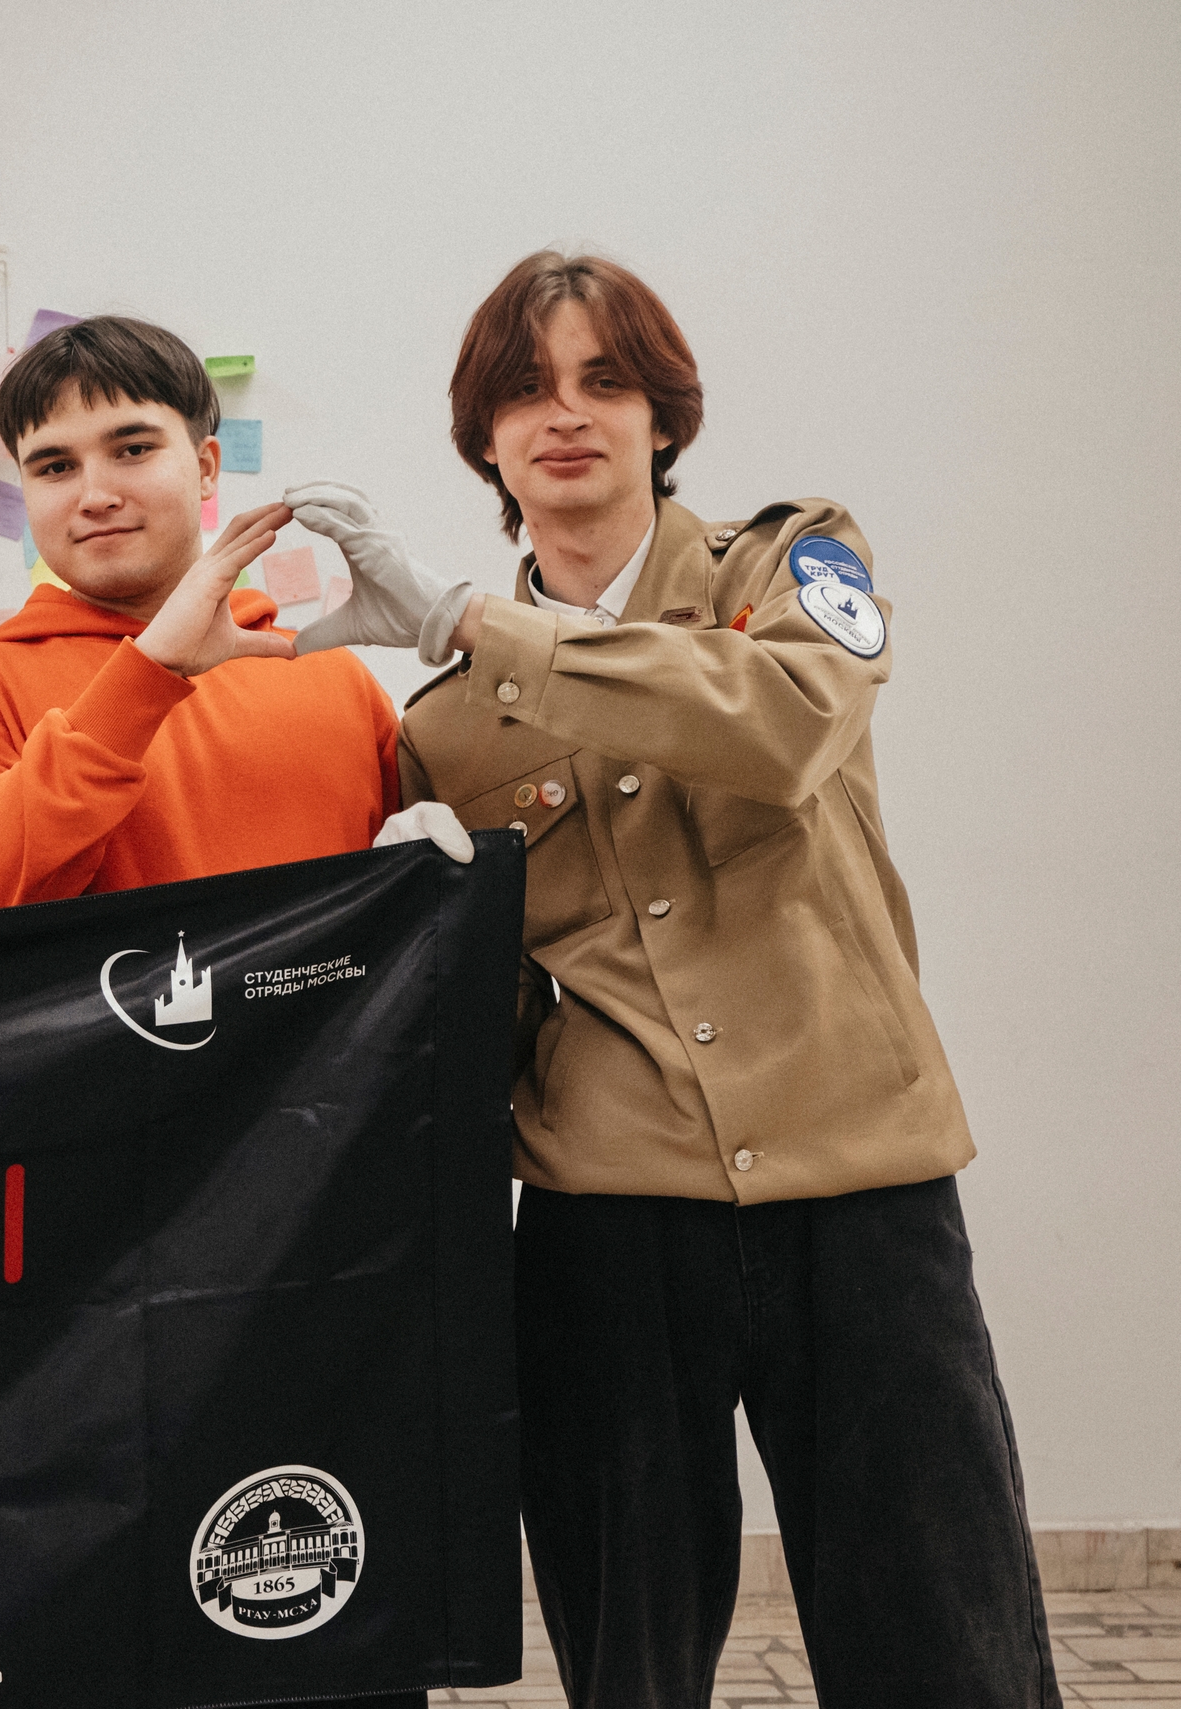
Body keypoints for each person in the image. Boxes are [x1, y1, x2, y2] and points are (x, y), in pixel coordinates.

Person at [294, 250, 1058, 1707]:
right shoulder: (446, 729)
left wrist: (477, 626)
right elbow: (494, 1009)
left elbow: (786, 727)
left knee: (939, 1629)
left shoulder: (792, 564)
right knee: (627, 1653)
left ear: (664, 417)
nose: (564, 413)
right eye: (524, 390)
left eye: (604, 379)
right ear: (484, 440)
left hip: (859, 1178)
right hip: (606, 1214)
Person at [0, 315, 467, 919]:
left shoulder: (332, 674)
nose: (96, 496)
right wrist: (144, 674)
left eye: (133, 450)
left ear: (206, 467)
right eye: (54, 466)